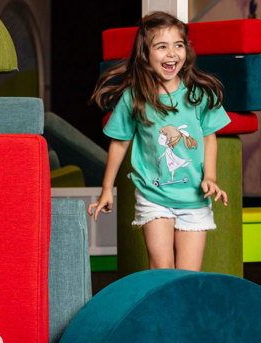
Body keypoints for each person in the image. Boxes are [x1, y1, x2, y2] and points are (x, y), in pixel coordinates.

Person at [89, 11, 231, 271]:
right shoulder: (134, 97)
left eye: (178, 45)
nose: (172, 53)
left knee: (187, 275)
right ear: (145, 54)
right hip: (153, 196)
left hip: (194, 199)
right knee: (162, 269)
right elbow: (119, 144)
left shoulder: (199, 95)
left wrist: (210, 177)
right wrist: (107, 188)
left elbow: (209, 138)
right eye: (162, 46)